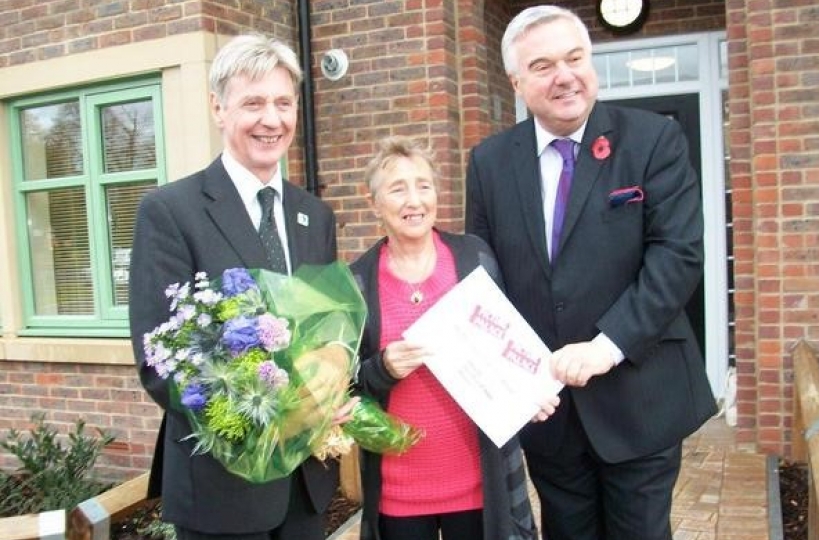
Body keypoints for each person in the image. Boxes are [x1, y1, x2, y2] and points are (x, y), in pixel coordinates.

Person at [465, 6, 717, 540]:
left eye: (574, 58)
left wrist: (607, 347)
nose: (564, 76)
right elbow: (483, 279)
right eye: (543, 65)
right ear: (516, 80)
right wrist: (507, 378)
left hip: (639, 398)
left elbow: (677, 257)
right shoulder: (488, 163)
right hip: (548, 411)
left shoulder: (653, 141)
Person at [129, 33, 341, 540]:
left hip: (306, 485)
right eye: (253, 103)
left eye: (283, 103)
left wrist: (331, 385)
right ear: (218, 109)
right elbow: (161, 361)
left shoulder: (315, 214)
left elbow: (330, 327)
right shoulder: (170, 212)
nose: (272, 119)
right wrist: (269, 416)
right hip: (221, 490)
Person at [350, 135, 555, 540]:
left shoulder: (475, 258)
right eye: (398, 189)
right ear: (375, 204)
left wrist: (527, 391)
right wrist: (384, 368)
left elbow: (507, 342)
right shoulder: (357, 282)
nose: (414, 200)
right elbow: (346, 386)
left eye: (423, 186)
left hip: (480, 485)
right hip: (399, 494)